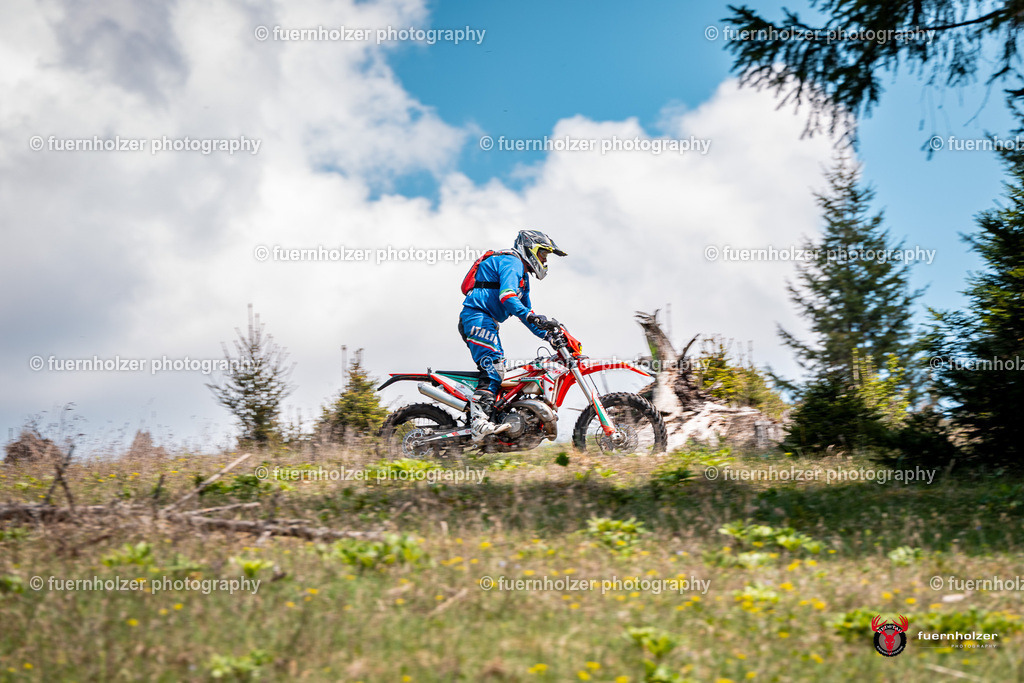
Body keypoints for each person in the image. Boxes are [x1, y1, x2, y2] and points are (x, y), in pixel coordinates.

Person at [458, 230, 567, 439]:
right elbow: (507, 297)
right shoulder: (511, 261)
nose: (545, 261)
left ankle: (494, 418)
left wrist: (551, 336)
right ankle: (479, 422)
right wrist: (533, 318)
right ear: (530, 248)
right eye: (543, 254)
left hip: (484, 320)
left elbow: (527, 316)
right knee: (494, 366)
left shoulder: (523, 278)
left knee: (501, 371)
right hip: (477, 317)